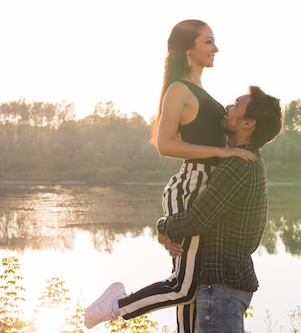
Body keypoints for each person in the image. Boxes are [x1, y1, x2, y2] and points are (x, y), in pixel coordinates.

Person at [84, 20, 254, 332]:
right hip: (191, 186)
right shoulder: (179, 89)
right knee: (184, 287)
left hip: (204, 187)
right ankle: (115, 305)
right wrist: (221, 153)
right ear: (188, 48)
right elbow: (164, 144)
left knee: (192, 290)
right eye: (208, 42)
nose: (215, 48)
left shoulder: (200, 90)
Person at [156, 85, 283, 333]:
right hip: (225, 288)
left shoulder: (238, 165)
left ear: (248, 123)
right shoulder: (242, 160)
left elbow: (197, 219)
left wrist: (163, 226)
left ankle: (117, 306)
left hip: (221, 290)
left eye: (236, 104)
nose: (228, 107)